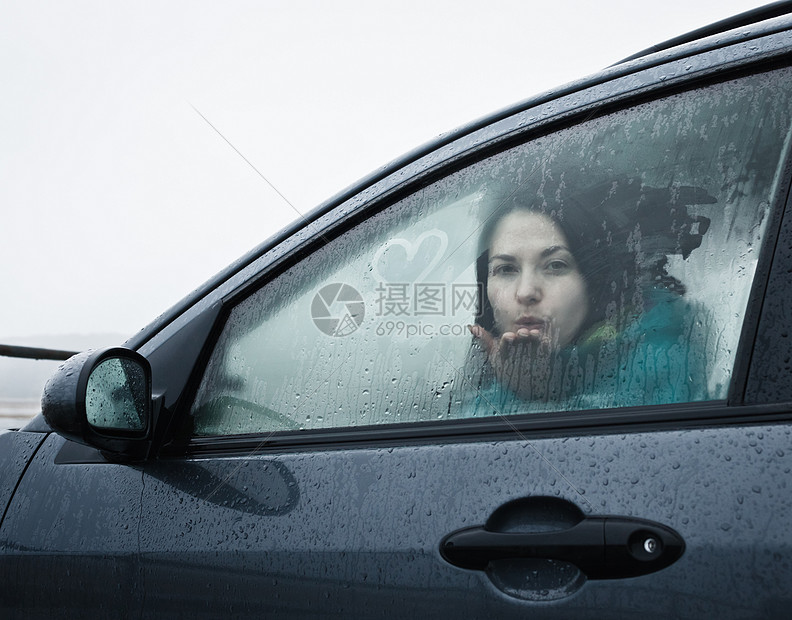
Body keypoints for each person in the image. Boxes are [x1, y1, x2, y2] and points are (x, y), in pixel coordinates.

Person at [462, 178, 714, 415]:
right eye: (506, 269)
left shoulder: (663, 362)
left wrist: (538, 393)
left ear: (593, 281)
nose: (526, 291)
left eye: (555, 265)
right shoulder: (485, 376)